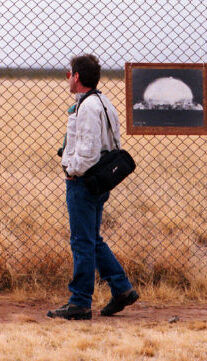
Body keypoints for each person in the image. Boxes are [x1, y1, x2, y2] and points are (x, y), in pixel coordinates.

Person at [47, 54, 139, 320]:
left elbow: (87, 153)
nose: (68, 78)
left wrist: (71, 172)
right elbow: (113, 143)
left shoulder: (87, 107)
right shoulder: (104, 102)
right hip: (100, 180)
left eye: (69, 74)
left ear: (77, 77)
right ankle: (121, 289)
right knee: (92, 239)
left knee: (81, 242)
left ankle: (80, 302)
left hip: (84, 182)